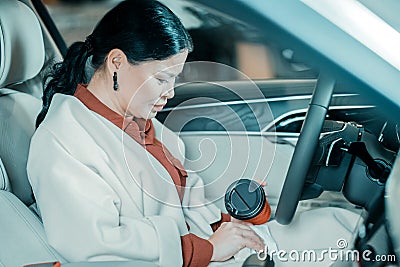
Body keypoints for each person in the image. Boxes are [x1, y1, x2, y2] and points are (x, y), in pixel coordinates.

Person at [27, 0, 265, 266]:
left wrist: (228, 225)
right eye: (162, 79)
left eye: (176, 79)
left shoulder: (138, 123)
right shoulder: (63, 141)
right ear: (117, 62)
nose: (171, 92)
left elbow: (183, 202)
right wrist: (203, 250)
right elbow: (94, 243)